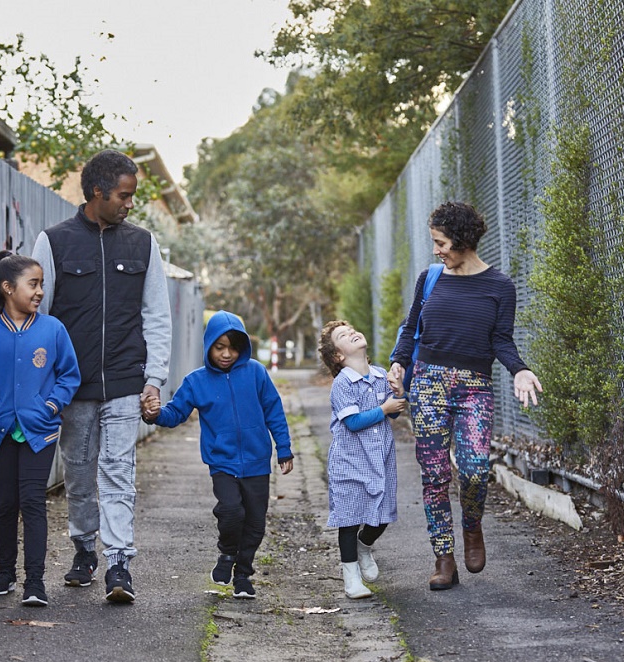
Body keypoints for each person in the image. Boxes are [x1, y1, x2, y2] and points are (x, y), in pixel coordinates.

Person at [31, 149, 171, 604]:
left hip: (127, 381)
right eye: (124, 195)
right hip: (74, 386)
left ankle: (119, 564)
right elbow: (39, 316)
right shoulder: (52, 243)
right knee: (77, 472)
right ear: (97, 192)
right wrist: (44, 380)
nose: (130, 204)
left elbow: (157, 316)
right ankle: (83, 550)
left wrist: (155, 379)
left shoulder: (143, 244)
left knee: (117, 471)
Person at [388, 201, 542, 591]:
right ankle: (444, 556)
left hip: (475, 387)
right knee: (436, 476)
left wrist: (520, 369)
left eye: (441, 242)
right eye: (434, 242)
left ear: (463, 241)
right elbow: (411, 327)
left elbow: (501, 341)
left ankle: (472, 526)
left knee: (474, 469)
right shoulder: (431, 278)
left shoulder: (500, 287)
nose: (437, 250)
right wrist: (399, 363)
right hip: (428, 385)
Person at [140, 311, 293, 600]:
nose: (226, 354)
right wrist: (155, 414)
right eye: (219, 347)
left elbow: (274, 411)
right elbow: (176, 413)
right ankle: (226, 554)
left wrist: (283, 448)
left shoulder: (256, 373)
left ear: (242, 347)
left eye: (233, 347)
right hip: (222, 462)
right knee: (231, 511)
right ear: (208, 345)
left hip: (258, 461)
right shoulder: (196, 381)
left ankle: (244, 575)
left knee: (256, 523)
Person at [0, 251, 81, 607]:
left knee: (32, 502)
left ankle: (35, 582)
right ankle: (4, 574)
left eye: (42, 284)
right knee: (6, 502)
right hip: (1, 431)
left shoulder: (52, 330)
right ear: (8, 288)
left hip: (39, 432)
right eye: (33, 284)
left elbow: (69, 374)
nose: (40, 291)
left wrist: (51, 405)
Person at [318, 320, 405, 599]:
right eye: (344, 335)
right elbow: (354, 422)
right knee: (349, 518)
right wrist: (384, 408)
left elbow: (393, 413)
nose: (353, 333)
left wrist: (398, 396)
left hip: (380, 460)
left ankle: (364, 546)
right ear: (338, 356)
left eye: (353, 329)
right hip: (350, 461)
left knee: (382, 515)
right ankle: (351, 578)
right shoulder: (342, 384)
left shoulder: (380, 375)